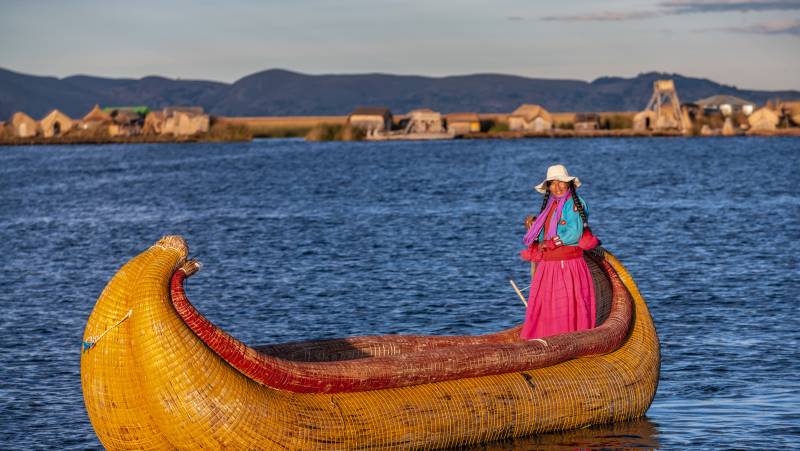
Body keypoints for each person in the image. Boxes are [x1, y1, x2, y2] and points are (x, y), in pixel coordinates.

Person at [519, 164, 596, 340]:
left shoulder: (574, 204)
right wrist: (533, 225)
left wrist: (553, 242)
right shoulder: (550, 207)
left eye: (560, 182)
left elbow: (574, 233)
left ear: (568, 184)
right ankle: (547, 342)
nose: (557, 187)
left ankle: (568, 343)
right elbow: (544, 235)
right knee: (547, 307)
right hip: (549, 267)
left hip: (567, 266)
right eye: (552, 184)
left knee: (565, 307)